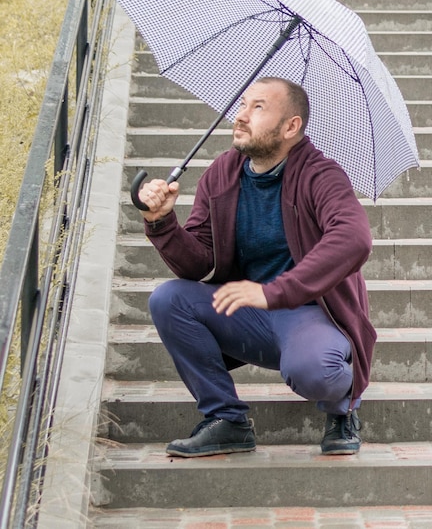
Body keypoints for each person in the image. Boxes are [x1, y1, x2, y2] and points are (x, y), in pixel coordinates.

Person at [137, 76, 376, 457]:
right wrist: (163, 222)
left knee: (316, 371)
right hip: (249, 313)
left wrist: (273, 291)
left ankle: (343, 404)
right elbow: (198, 262)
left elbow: (354, 239)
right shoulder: (222, 174)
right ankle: (226, 419)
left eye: (258, 107)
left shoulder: (321, 175)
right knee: (169, 299)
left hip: (310, 313)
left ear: (291, 127)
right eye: (243, 104)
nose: (242, 115)